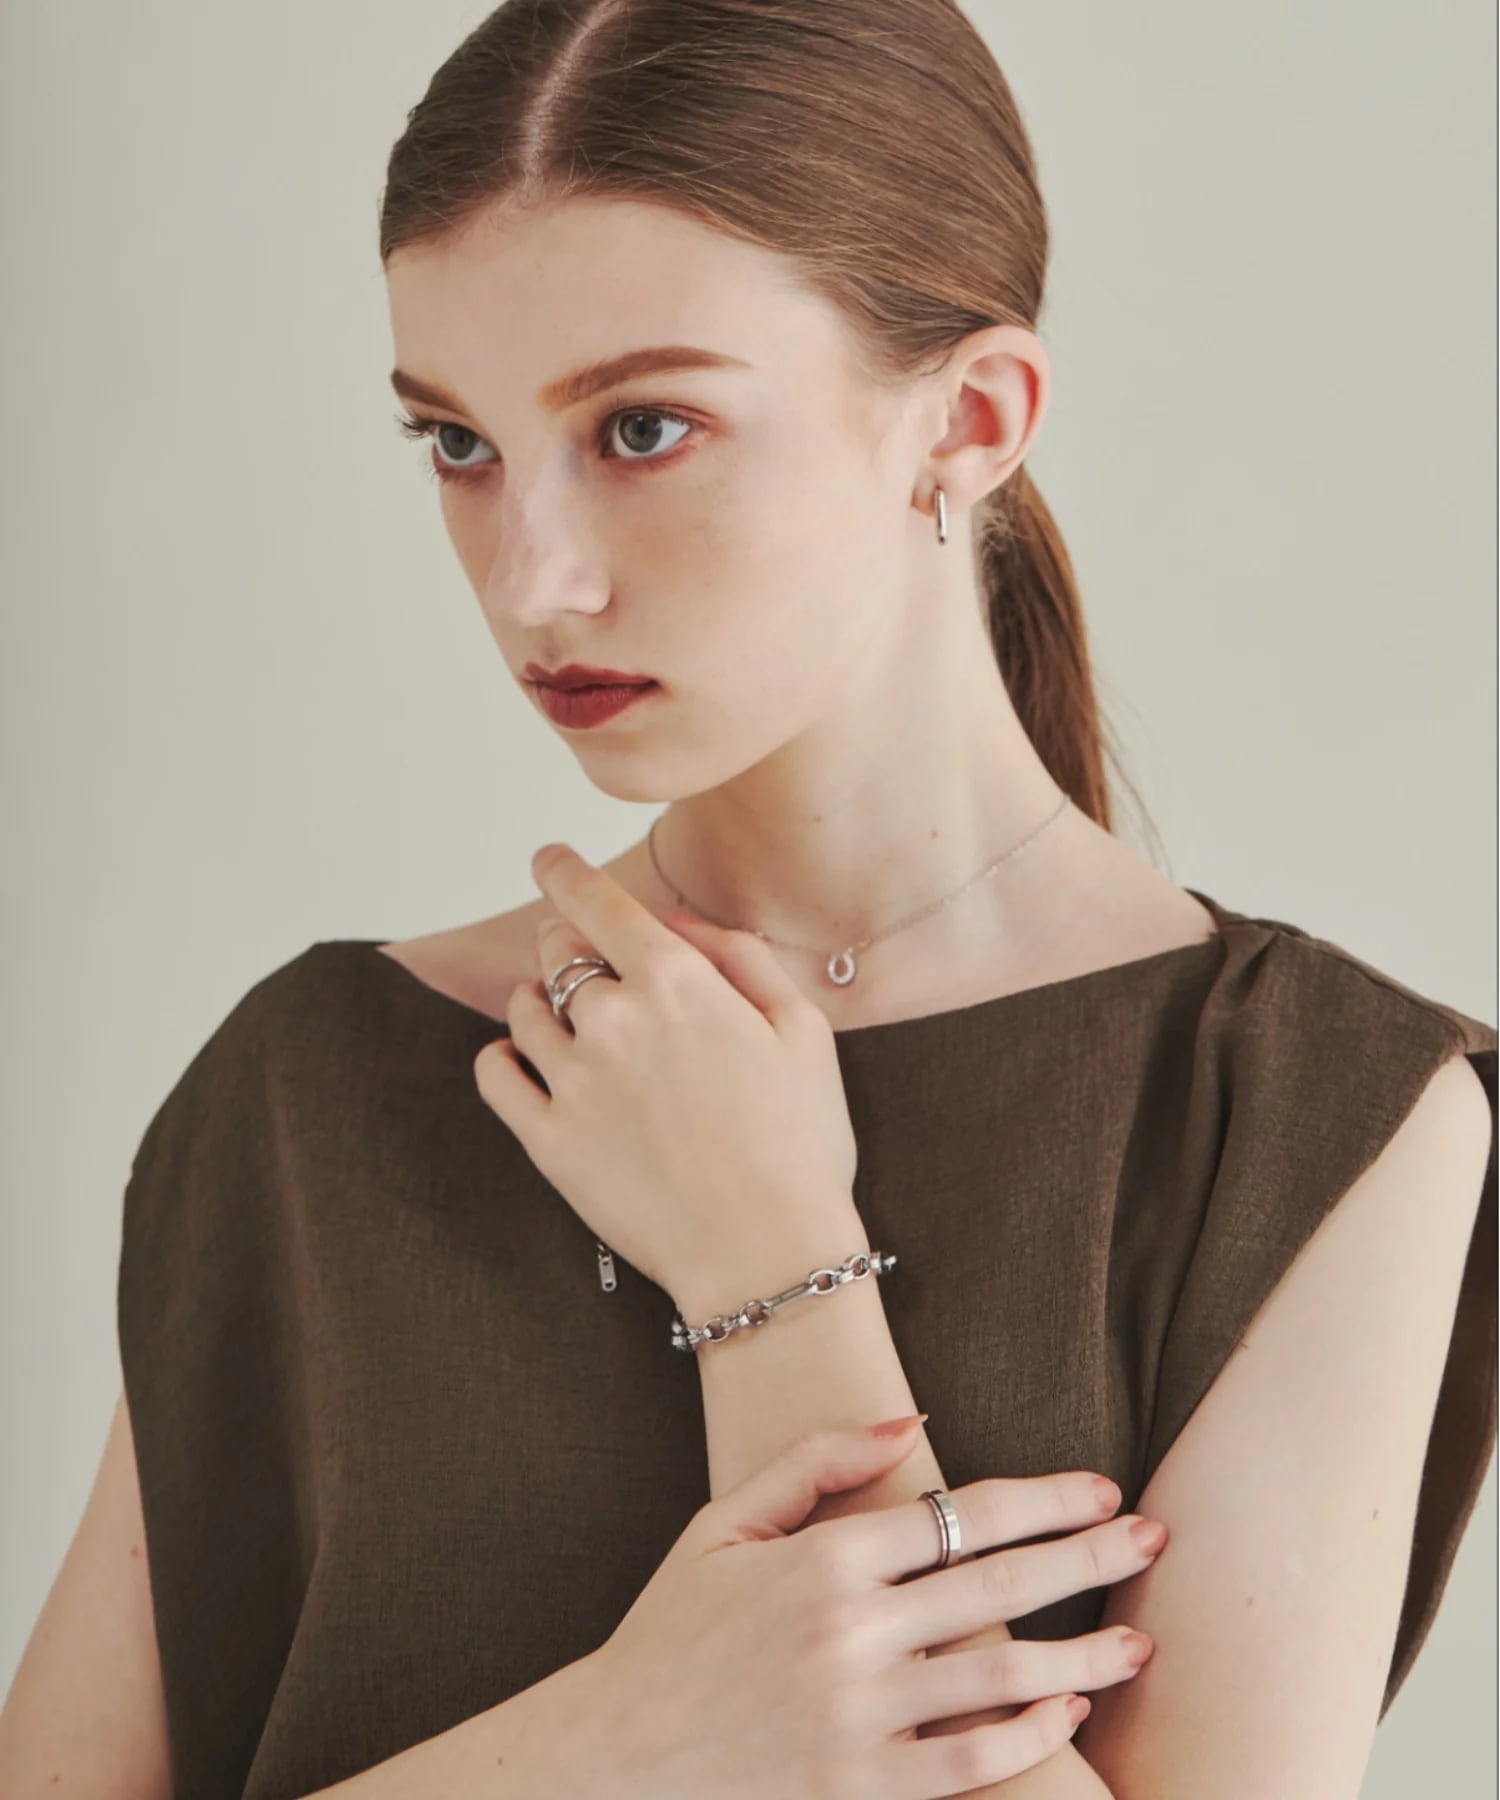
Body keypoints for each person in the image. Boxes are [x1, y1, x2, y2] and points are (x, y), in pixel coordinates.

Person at [2, 2, 1493, 1796]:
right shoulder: (313, 1084)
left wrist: (773, 1274)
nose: (533, 581)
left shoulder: (1313, 1114)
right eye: (457, 444)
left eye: (642, 428)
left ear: (970, 420)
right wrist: (622, 1743)